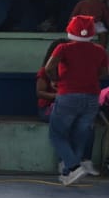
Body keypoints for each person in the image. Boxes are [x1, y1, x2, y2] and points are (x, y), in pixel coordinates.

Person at [45, 16, 109, 185]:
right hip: (92, 97)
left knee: (57, 134)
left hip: (68, 95)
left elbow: (49, 67)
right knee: (80, 135)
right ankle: (68, 173)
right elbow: (104, 72)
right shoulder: (100, 50)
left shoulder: (63, 48)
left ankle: (74, 167)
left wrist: (56, 80)